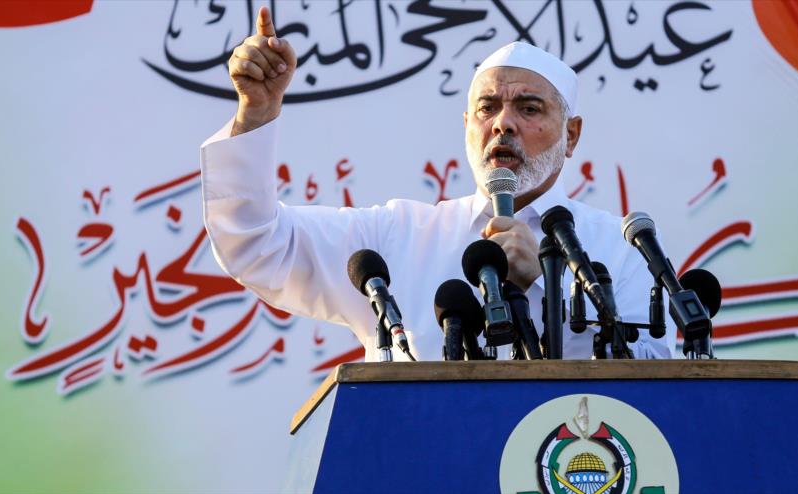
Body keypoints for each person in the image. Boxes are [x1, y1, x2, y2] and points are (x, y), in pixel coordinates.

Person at [200, 7, 676, 361]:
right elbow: (259, 244)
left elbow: (656, 376)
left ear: (571, 135)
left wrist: (544, 285)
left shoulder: (624, 248)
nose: (503, 124)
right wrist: (256, 115)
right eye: (488, 109)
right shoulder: (398, 237)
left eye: (529, 109)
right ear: (468, 124)